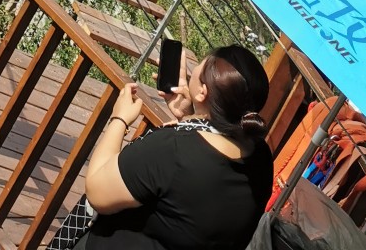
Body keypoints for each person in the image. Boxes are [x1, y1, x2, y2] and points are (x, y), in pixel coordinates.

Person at [81, 46, 273, 249]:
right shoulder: (260, 159)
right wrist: (191, 116)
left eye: (199, 64)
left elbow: (97, 191)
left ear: (202, 92)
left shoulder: (172, 150)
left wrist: (119, 118)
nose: (194, 68)